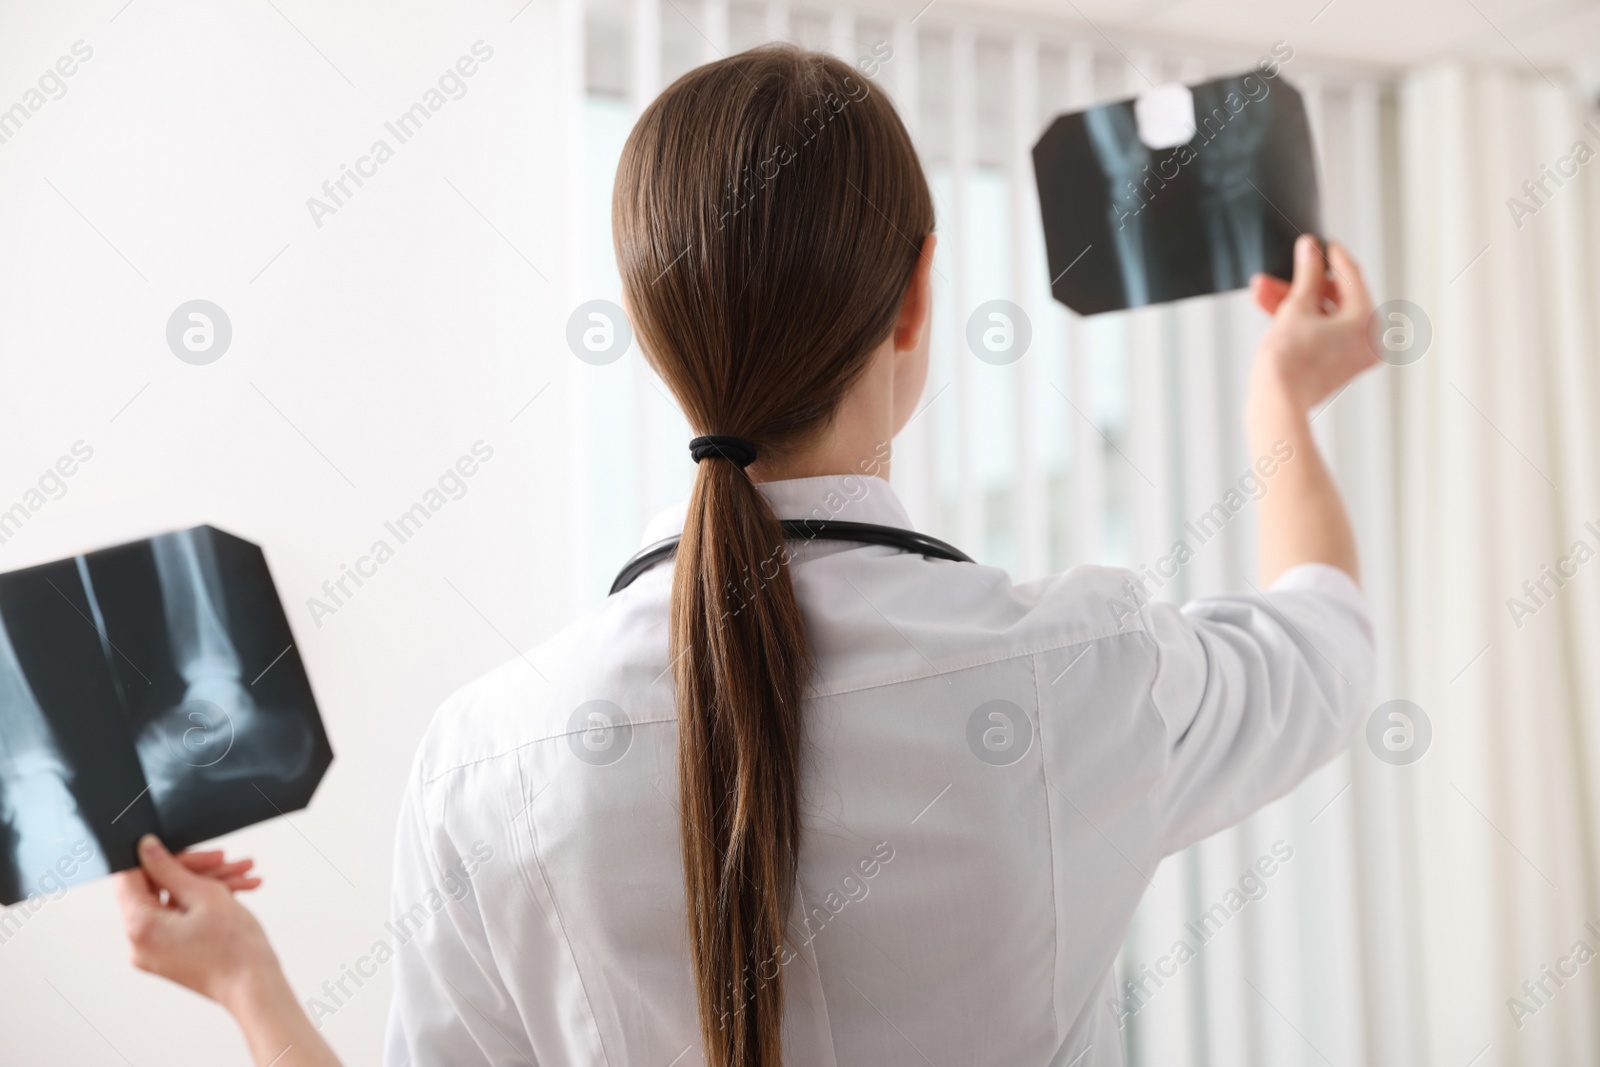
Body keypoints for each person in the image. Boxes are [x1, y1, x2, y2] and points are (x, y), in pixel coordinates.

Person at [115, 44, 1379, 1067]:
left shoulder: (485, 758)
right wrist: (1283, 403)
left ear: (652, 333)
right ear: (916, 297)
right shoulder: (1088, 664)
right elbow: (1327, 640)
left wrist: (245, 980)